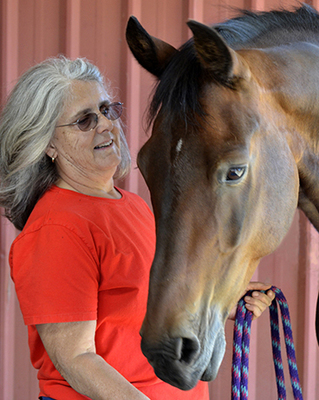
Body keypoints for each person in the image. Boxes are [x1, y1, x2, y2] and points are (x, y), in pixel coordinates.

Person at [0, 56, 275, 400]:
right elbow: (76, 357)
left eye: (106, 109)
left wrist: (220, 305)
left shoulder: (131, 205)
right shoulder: (56, 228)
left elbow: (144, 305)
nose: (104, 124)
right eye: (84, 120)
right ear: (47, 144)